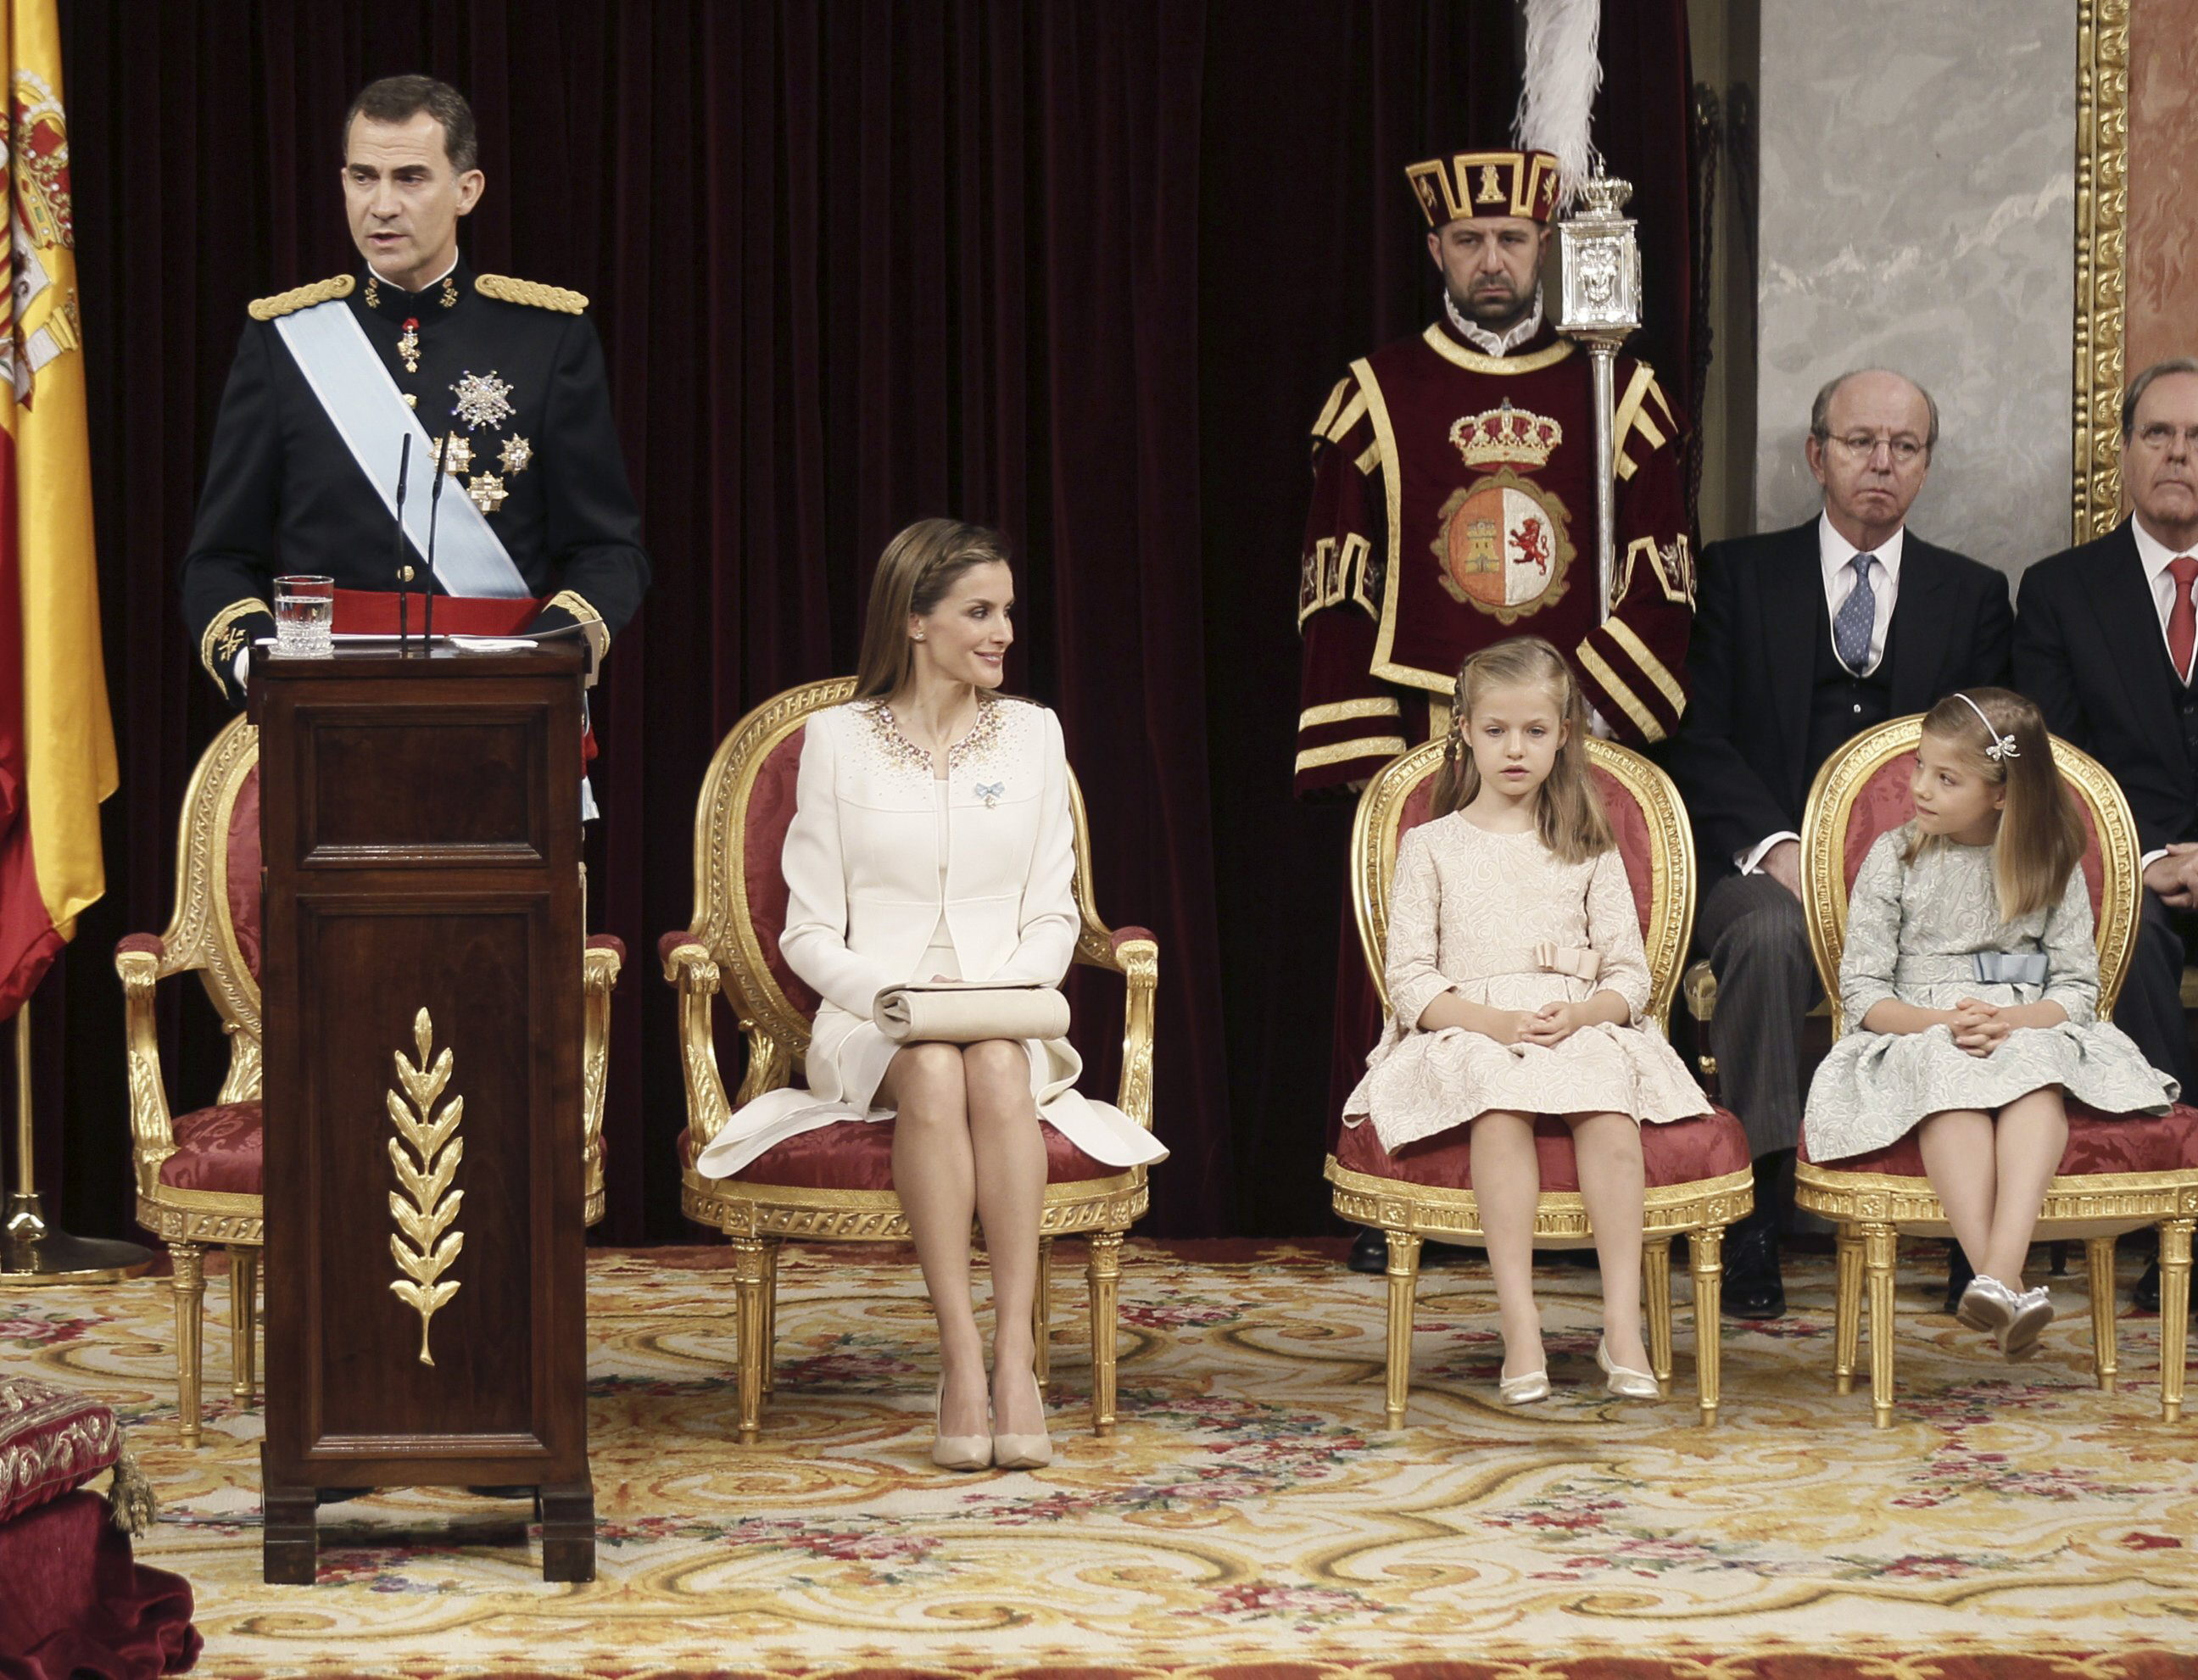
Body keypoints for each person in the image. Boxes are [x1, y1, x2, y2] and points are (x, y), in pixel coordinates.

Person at [1297, 146, 1696, 1275]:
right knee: (1422, 963)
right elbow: (1340, 577)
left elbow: (1663, 570)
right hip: (1426, 722)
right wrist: (1366, 754)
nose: (1489, 260)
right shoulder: (1375, 390)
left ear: (1546, 250)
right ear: (1436, 251)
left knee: (1568, 957)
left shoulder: (1619, 390)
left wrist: (1597, 709)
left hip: (1577, 727)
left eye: (1511, 240)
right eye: (1467, 241)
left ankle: (1582, 1192)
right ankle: (1399, 1195)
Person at [693, 519, 1165, 1471]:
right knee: (932, 1069)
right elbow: (808, 932)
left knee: (990, 1065)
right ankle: (960, 1360)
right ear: (914, 621)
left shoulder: (1035, 735)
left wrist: (995, 987)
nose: (1004, 633)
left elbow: (1053, 913)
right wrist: (898, 991)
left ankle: (1015, 1359)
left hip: (1005, 1006)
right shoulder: (835, 742)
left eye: (1008, 612)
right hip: (871, 1020)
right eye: (979, 612)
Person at [1660, 368, 2011, 1319]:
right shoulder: (1734, 576)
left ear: (1926, 468)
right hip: (1764, 867)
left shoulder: (1975, 595)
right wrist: (1777, 846)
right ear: (1817, 455)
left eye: (1904, 447)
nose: (1880, 463)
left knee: (1972, 940)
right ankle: (1757, 1216)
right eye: (1860, 442)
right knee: (1770, 935)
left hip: (1926, 868)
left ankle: (1963, 1225)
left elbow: (1996, 756)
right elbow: (1697, 733)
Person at [181, 75, 649, 705]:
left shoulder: (547, 339)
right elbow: (219, 560)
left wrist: (544, 659)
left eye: (410, 178)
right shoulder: (284, 341)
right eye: (363, 177)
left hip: (504, 712)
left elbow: (607, 551)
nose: (382, 205)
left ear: (467, 190)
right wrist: (263, 669)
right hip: (319, 712)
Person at [1341, 638, 1712, 1401]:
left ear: (1564, 735)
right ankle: (1521, 1325)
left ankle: (1621, 1328)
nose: (1516, 748)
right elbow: (1410, 982)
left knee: (1610, 1099)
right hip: (1471, 1028)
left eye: (1536, 732)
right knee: (1494, 1098)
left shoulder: (1586, 844)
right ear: (1465, 731)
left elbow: (1629, 978)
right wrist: (1491, 1021)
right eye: (1498, 730)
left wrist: (1580, 1013)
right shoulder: (1430, 845)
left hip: (1572, 1023)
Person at [1802, 690, 2175, 1356]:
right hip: (1918, 1028)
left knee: (2035, 1076)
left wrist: (2013, 1020)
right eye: (1919, 766)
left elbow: (2075, 989)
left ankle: (1997, 1276)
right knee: (1948, 1082)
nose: (1919, 787)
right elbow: (1863, 992)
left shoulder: (2046, 859)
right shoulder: (1895, 858)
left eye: (1946, 778)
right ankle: (2007, 1285)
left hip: (2022, 1024)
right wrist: (1940, 1022)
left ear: (2002, 793)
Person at [2015, 356, 2198, 1313]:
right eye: (2159, 434)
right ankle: (2177, 1227)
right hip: (2124, 872)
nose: (2179, 455)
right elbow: (2051, 766)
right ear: (2122, 453)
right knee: (2134, 949)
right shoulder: (2059, 591)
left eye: (2197, 438)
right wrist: (2147, 860)